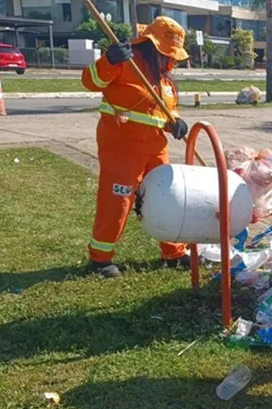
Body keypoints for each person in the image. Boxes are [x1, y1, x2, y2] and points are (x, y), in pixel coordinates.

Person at [81, 16, 190, 278]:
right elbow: (90, 81)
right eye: (165, 52)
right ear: (150, 45)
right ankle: (100, 258)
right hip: (121, 145)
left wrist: (174, 124)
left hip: (155, 146)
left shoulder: (164, 78)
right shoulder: (125, 62)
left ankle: (173, 252)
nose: (169, 59)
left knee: (168, 196)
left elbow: (161, 113)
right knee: (118, 200)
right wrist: (108, 60)